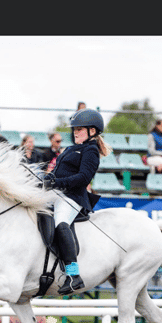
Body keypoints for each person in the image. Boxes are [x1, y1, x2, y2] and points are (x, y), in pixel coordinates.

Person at [42, 108, 111, 294]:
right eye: (74, 129)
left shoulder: (90, 150)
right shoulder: (71, 149)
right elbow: (57, 173)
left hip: (72, 197)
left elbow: (83, 178)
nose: (75, 132)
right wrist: (46, 179)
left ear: (93, 131)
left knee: (61, 224)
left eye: (80, 129)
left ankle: (73, 276)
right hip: (56, 194)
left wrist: (58, 182)